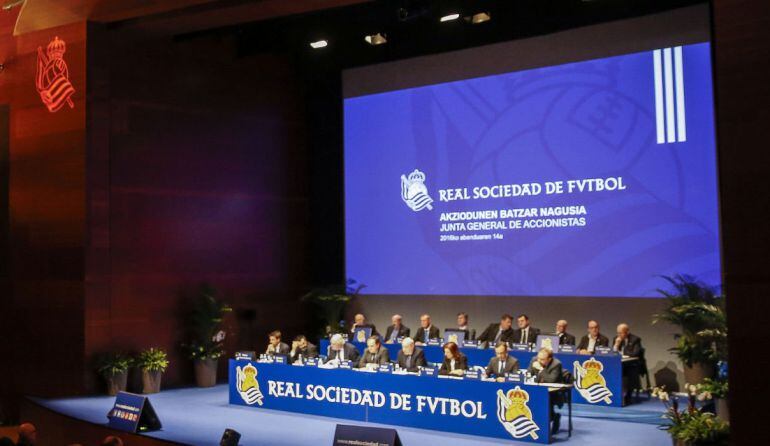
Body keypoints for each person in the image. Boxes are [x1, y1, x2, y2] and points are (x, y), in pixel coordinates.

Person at [527, 349, 564, 434]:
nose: (539, 361)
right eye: (538, 358)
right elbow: (529, 374)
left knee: (546, 403)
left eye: (542, 359)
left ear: (549, 359)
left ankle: (555, 417)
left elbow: (551, 380)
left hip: (553, 392)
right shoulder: (534, 360)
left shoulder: (556, 364)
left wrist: (540, 369)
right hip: (537, 389)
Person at [614, 323, 643, 404]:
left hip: (632, 364)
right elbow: (613, 353)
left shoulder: (635, 339)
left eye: (621, 333)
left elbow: (635, 353)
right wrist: (616, 345)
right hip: (620, 363)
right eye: (618, 333)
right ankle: (615, 394)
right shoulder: (617, 339)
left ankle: (627, 396)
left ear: (627, 332)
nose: (619, 335)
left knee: (627, 372)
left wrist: (624, 354)